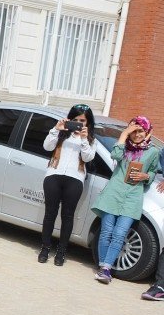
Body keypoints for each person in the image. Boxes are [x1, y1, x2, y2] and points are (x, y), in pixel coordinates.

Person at [92, 116, 160, 284]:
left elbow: (153, 172)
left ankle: (105, 268)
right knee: (106, 231)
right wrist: (124, 135)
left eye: (141, 131)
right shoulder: (123, 148)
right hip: (113, 193)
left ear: (148, 132)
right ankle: (104, 268)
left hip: (132, 197)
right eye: (134, 131)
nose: (137, 135)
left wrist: (145, 176)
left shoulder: (153, 152)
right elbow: (114, 155)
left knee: (120, 233)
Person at [37, 104, 97, 266]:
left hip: (75, 179)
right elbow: (47, 146)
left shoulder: (91, 140)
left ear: (88, 123)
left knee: (67, 216)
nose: (78, 123)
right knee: (50, 213)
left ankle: (61, 251)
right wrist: (57, 129)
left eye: (82, 120)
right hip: (53, 175)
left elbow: (87, 158)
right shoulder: (62, 134)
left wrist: (84, 139)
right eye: (75, 119)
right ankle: (45, 248)